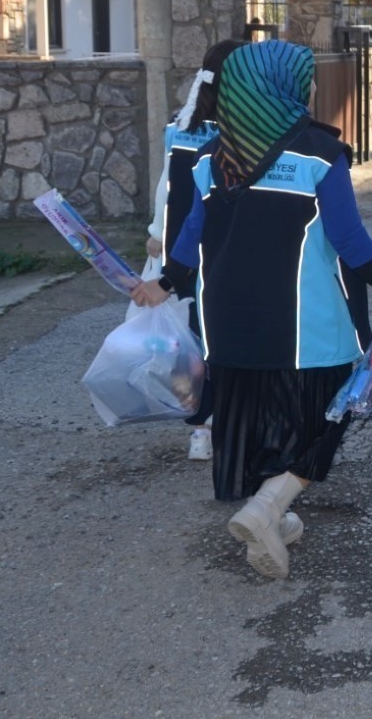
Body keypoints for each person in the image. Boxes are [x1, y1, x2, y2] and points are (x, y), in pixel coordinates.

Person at [131, 40, 372, 580]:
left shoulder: (209, 158)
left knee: (259, 423)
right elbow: (349, 239)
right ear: (279, 87)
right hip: (306, 330)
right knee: (330, 416)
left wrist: (165, 284)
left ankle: (273, 515)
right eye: (305, 79)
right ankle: (266, 508)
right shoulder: (317, 154)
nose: (311, 89)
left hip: (230, 329)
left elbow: (191, 232)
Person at [144, 39, 241, 461]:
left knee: (187, 339)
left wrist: (156, 231)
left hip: (179, 250)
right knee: (216, 334)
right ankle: (220, 418)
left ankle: (198, 428)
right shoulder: (237, 130)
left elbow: (166, 185)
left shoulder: (179, 125)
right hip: (218, 247)